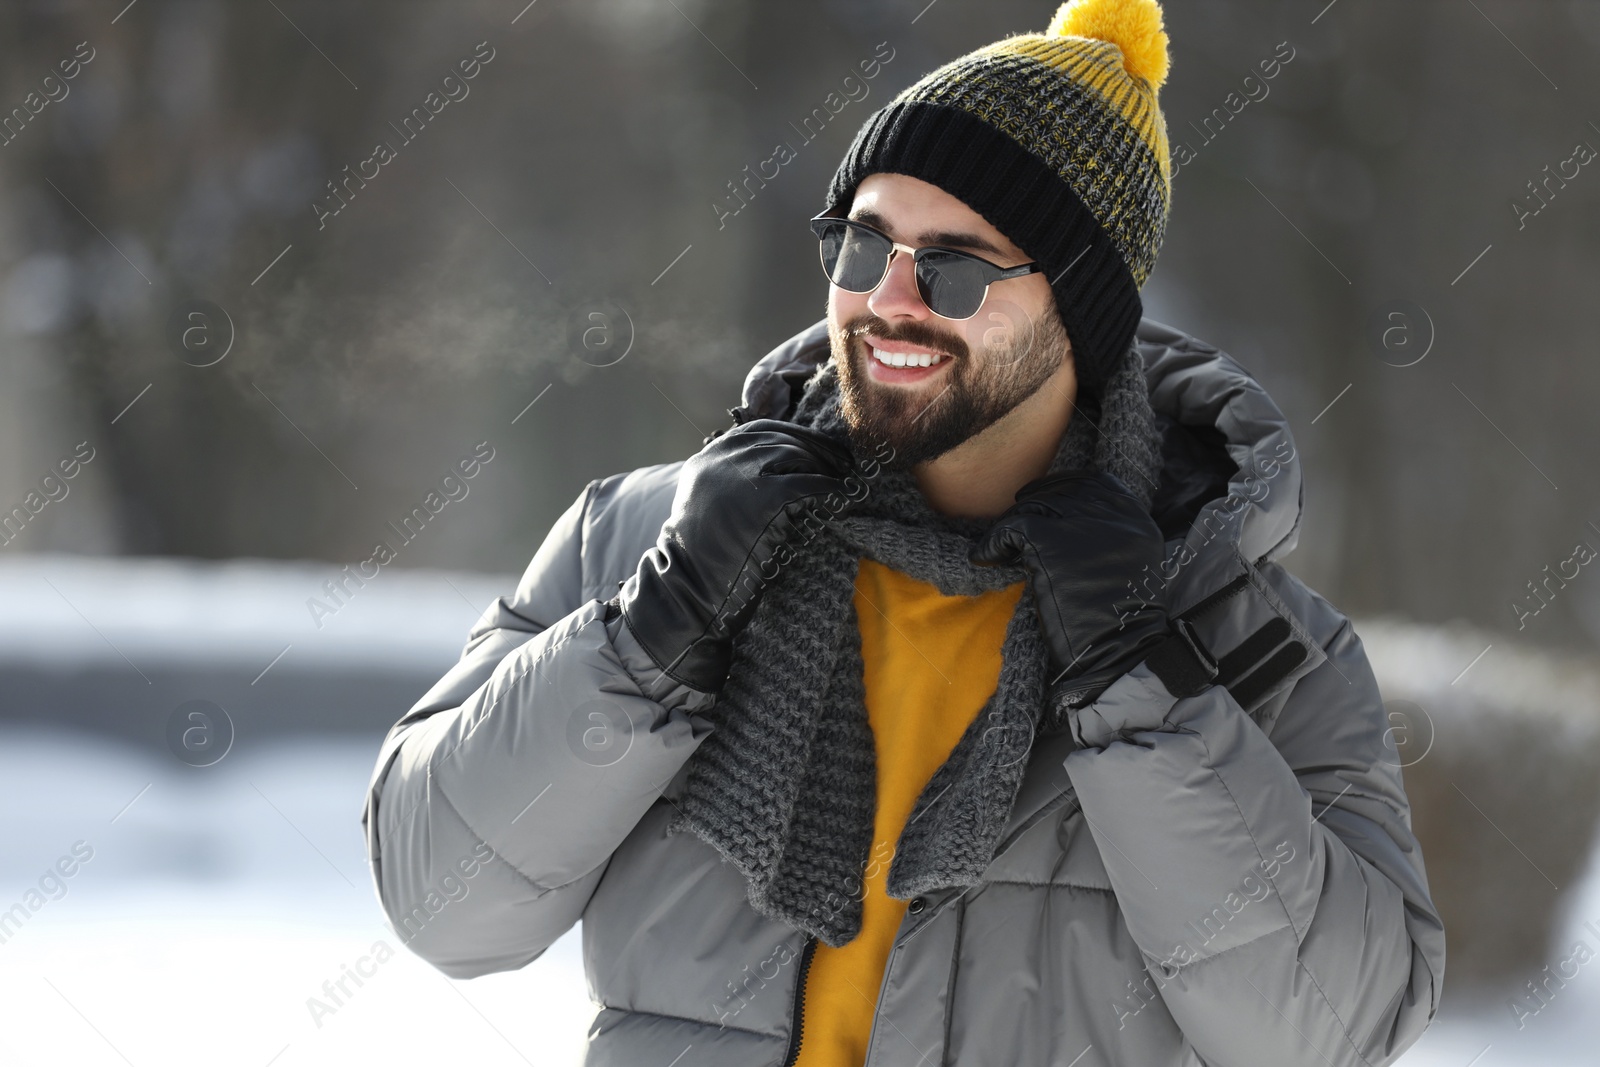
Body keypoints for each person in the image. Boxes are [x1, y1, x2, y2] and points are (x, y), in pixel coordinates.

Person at [360, 0, 1445, 1063]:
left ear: (1079, 307)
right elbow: (440, 905)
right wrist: (653, 632)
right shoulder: (647, 537)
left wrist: (1142, 687)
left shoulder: (1244, 639)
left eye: (958, 267)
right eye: (863, 245)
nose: (890, 299)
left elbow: (1327, 1033)